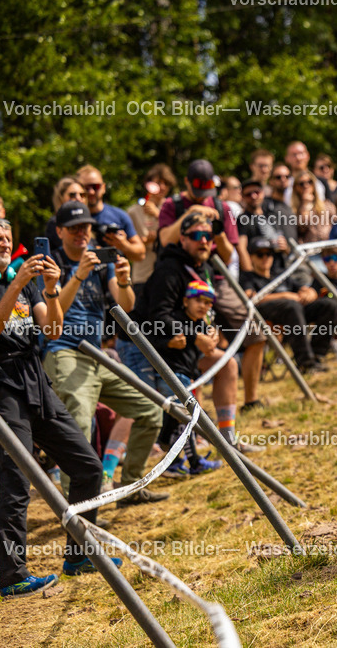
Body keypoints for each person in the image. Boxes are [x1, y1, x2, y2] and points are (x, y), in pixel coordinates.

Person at [0, 217, 116, 596]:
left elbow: (52, 330)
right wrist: (16, 285)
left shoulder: (27, 283)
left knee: (87, 466)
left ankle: (79, 554)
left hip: (37, 381)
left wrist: (51, 290)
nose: (5, 244)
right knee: (17, 480)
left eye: (8, 238)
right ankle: (13, 576)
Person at [42, 201, 168, 504]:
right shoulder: (52, 264)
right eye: (73, 228)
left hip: (98, 355)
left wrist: (124, 280)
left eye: (85, 227)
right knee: (81, 424)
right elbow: (54, 316)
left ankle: (131, 488)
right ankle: (80, 506)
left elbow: (126, 305)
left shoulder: (101, 261)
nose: (81, 233)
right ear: (59, 231)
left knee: (151, 410)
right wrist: (78, 275)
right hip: (64, 352)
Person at [118, 213, 250, 448]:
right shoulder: (168, 269)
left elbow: (204, 308)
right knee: (145, 405)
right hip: (140, 344)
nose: (203, 241)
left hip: (176, 344)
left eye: (208, 236)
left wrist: (210, 332)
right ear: (183, 239)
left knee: (227, 365)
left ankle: (228, 441)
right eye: (197, 236)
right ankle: (112, 467)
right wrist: (195, 336)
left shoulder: (205, 267)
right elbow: (159, 317)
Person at [156, 159, 266, 415]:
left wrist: (215, 232)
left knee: (256, 333)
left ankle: (251, 400)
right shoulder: (172, 205)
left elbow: (229, 255)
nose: (204, 196)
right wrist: (190, 216)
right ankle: (198, 422)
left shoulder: (223, 207)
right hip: (183, 279)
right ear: (187, 182)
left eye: (208, 190)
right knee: (194, 345)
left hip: (216, 279)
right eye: (199, 190)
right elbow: (164, 240)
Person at [151, 279, 226, 477]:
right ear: (185, 301)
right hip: (171, 375)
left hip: (187, 376)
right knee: (185, 418)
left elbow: (206, 352)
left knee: (178, 419)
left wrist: (212, 337)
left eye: (208, 302)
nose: (204, 306)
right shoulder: (174, 319)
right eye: (199, 300)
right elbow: (154, 341)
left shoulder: (201, 324)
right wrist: (168, 343)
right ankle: (194, 462)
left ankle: (173, 458)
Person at [239, 237, 334, 373]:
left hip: (295, 314)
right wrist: (285, 296)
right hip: (267, 316)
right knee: (291, 306)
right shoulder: (247, 277)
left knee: (327, 305)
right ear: (251, 257)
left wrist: (309, 292)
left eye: (269, 254)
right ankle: (306, 363)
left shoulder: (280, 274)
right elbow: (250, 299)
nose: (265, 258)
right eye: (260, 254)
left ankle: (317, 356)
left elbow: (301, 289)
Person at [76, 165, 146, 262]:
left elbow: (141, 255)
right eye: (86, 187)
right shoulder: (71, 219)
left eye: (95, 187)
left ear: (103, 187)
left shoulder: (119, 216)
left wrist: (123, 245)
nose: (91, 192)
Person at [128, 163, 175, 291]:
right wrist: (144, 242)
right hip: (142, 275)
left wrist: (158, 215)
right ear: (148, 184)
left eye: (166, 183)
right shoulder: (133, 212)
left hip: (167, 275)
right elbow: (128, 247)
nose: (163, 187)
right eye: (159, 183)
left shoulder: (174, 208)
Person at [292, 169, 335, 244]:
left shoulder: (327, 204)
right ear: (296, 187)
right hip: (310, 251)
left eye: (309, 182)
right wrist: (305, 206)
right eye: (301, 183)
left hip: (329, 249)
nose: (306, 186)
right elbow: (301, 229)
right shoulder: (293, 209)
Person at [46, 178, 88, 249]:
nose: (78, 198)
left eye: (82, 195)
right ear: (60, 198)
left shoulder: (89, 220)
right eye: (72, 195)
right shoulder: (54, 223)